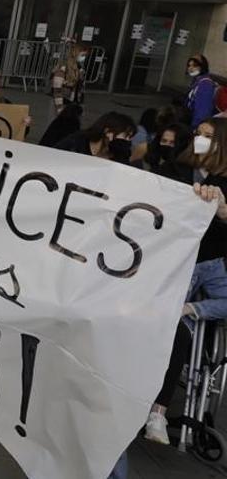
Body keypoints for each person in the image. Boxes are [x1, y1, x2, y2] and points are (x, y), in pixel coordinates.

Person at [144, 183, 227, 445]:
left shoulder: (213, 261)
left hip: (204, 275)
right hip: (165, 264)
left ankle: (158, 412)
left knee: (179, 334)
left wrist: (192, 308)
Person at [178, 119, 227, 262]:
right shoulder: (175, 166)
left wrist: (223, 211)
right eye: (198, 134)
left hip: (211, 256)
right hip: (176, 251)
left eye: (208, 136)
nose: (200, 139)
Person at [54, 112, 137, 162]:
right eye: (126, 136)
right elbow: (54, 155)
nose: (128, 141)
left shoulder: (121, 152)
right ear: (108, 132)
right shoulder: (77, 141)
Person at [186, 55, 219, 127]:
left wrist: (195, 129)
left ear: (203, 66)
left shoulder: (205, 84)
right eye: (189, 65)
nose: (191, 68)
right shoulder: (197, 81)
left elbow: (203, 112)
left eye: (195, 65)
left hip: (196, 124)